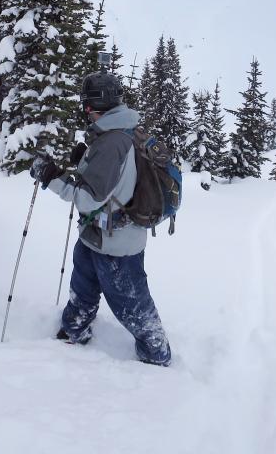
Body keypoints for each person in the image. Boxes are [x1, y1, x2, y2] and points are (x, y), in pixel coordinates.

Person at [30, 71, 172, 367]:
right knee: (83, 284)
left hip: (117, 244)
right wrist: (84, 159)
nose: (84, 112)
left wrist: (49, 177)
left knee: (130, 301)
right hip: (97, 233)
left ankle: (156, 353)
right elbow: (114, 179)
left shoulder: (111, 143)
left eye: (86, 106)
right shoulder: (119, 131)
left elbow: (88, 197)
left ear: (94, 106)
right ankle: (75, 328)